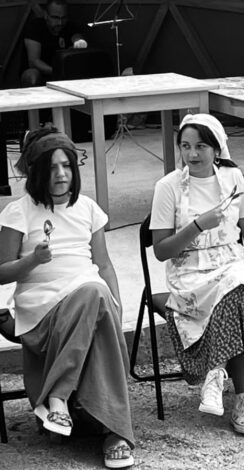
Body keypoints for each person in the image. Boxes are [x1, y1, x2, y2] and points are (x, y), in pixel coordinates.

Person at [0, 128, 133, 468]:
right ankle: (114, 433)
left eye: (67, 166)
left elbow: (104, 265)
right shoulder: (19, 211)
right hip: (42, 310)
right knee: (94, 293)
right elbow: (1, 272)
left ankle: (59, 399)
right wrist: (33, 260)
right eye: (52, 168)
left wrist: (117, 309)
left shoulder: (88, 208)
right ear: (36, 173)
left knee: (97, 296)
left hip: (87, 298)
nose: (61, 174)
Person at [149, 114, 244, 435]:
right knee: (235, 293)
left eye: (201, 146)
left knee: (238, 281)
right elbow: (161, 250)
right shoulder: (168, 187)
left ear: (217, 149)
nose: (192, 154)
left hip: (233, 260)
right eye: (185, 146)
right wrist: (197, 225)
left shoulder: (233, 177)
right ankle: (240, 397)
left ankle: (219, 377)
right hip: (189, 270)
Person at [21, 0, 87, 87]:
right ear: (46, 15)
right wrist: (58, 72)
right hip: (42, 73)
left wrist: (79, 42)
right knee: (31, 75)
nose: (60, 22)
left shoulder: (70, 26)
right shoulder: (35, 27)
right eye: (55, 18)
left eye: (63, 18)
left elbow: (77, 37)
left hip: (64, 73)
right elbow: (34, 61)